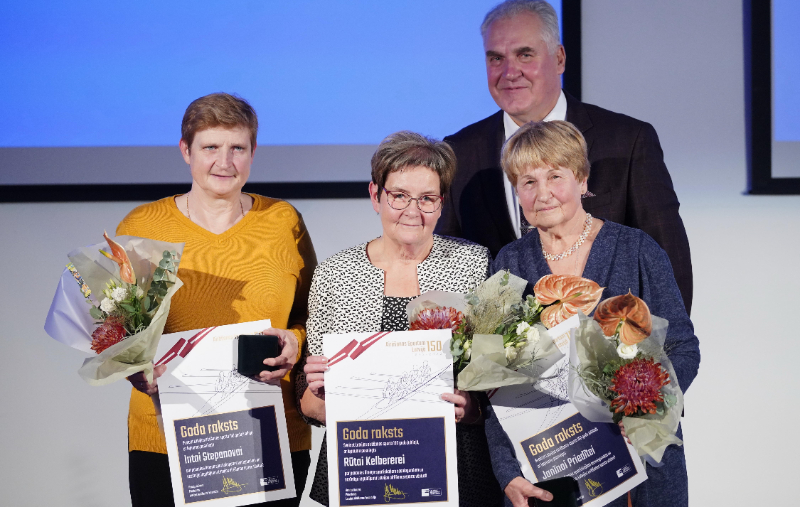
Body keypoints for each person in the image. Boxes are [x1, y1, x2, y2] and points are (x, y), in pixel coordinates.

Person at [483, 120, 700, 507]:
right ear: (516, 191)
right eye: (528, 181)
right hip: (550, 468)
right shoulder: (507, 265)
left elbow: (683, 348)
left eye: (555, 176)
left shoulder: (637, 249)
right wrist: (507, 472)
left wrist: (645, 404)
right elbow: (493, 381)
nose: (543, 193)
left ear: (582, 180)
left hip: (641, 461)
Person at [435, 0, 694, 314]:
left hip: (612, 342)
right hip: (499, 344)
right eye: (496, 58)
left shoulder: (627, 140)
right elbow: (448, 266)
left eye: (525, 55)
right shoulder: (459, 152)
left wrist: (654, 344)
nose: (510, 72)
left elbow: (668, 267)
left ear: (559, 59)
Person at [119, 93, 316, 507]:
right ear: (185, 150)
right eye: (210, 147)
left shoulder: (283, 221)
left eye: (237, 148)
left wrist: (295, 343)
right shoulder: (143, 227)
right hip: (168, 438)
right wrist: (131, 367)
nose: (224, 162)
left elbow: (309, 315)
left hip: (268, 433)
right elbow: (119, 329)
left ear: (253, 152)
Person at [296, 131, 502, 507]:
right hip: (364, 461)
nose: (413, 210)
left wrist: (473, 409)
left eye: (427, 198)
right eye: (399, 195)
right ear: (375, 195)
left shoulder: (473, 264)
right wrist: (318, 391)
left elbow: (499, 370)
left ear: (441, 203)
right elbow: (309, 392)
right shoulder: (334, 273)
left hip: (459, 464)